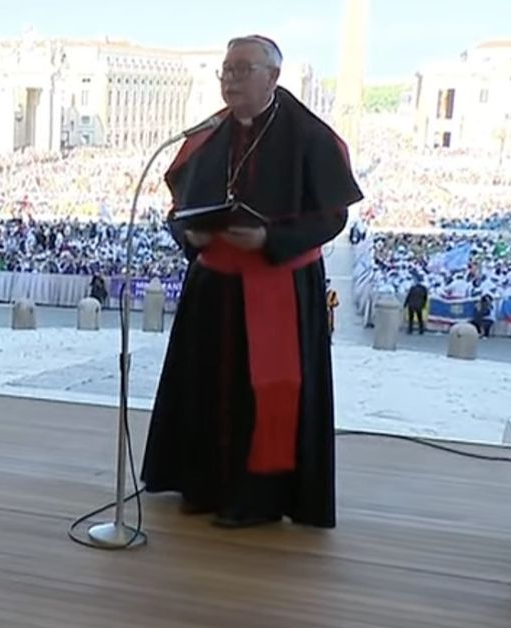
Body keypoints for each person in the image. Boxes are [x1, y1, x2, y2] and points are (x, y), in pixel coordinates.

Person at [141, 35, 363, 530]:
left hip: (276, 287)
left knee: (262, 396)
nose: (231, 79)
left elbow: (331, 216)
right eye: (226, 70)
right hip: (213, 288)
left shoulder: (308, 135)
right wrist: (190, 232)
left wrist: (267, 237)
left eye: (243, 69)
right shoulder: (207, 134)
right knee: (204, 387)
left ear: (273, 77)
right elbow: (180, 209)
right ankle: (201, 486)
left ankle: (258, 497)